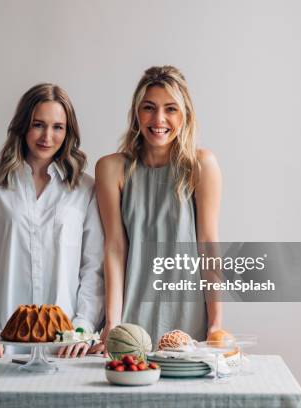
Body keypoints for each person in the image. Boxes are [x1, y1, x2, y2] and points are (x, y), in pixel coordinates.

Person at [0, 83, 104, 358]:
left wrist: (81, 330)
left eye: (58, 127)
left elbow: (94, 269)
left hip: (66, 348)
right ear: (23, 125)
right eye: (38, 124)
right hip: (4, 344)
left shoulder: (86, 190)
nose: (47, 136)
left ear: (68, 132)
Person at [94, 66, 223, 349]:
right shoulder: (111, 169)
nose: (159, 119)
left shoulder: (201, 165)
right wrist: (112, 322)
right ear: (136, 113)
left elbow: (208, 245)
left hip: (187, 313)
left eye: (171, 109)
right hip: (130, 314)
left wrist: (215, 323)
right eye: (149, 108)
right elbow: (114, 247)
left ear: (185, 114)